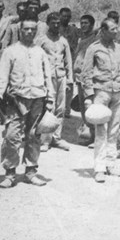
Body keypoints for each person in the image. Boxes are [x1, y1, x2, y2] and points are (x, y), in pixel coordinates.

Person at [0, 17, 54, 189]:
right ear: (20, 30)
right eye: (26, 29)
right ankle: (10, 173)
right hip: (17, 100)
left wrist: (50, 98)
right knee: (12, 136)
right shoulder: (10, 51)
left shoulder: (40, 52)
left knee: (34, 136)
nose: (29, 32)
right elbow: (2, 75)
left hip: (38, 99)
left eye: (33, 29)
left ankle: (31, 172)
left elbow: (48, 76)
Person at [82, 18, 120, 183]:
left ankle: (110, 164)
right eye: (112, 29)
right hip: (101, 93)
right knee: (101, 131)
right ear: (104, 31)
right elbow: (86, 73)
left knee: (114, 130)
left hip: (118, 92)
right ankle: (99, 168)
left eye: (116, 28)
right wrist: (88, 97)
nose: (116, 31)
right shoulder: (93, 48)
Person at [36, 11, 74, 152]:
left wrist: (69, 80)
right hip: (46, 78)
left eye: (58, 23)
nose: (56, 26)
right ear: (48, 24)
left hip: (61, 77)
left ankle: (56, 138)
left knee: (60, 108)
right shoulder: (41, 40)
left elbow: (68, 61)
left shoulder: (63, 41)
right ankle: (45, 140)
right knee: (48, 107)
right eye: (53, 23)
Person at [73, 14, 97, 145]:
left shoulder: (95, 40)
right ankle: (90, 136)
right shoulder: (81, 39)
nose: (83, 25)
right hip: (79, 78)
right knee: (83, 109)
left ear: (92, 25)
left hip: (89, 79)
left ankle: (95, 137)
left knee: (91, 108)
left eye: (86, 23)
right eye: (81, 23)